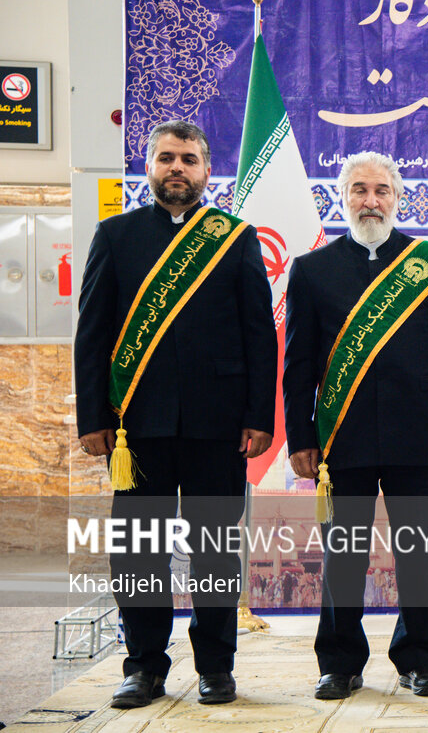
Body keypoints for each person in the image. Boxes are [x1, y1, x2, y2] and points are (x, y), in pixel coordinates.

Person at [75, 119, 276, 708]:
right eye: (166, 158)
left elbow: (258, 335)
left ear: (207, 170)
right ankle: (143, 667)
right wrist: (93, 416)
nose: (177, 169)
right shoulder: (115, 236)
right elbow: (93, 334)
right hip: (137, 427)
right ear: (149, 167)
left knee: (215, 550)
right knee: (139, 551)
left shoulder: (235, 238)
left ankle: (215, 667)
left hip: (220, 426)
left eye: (189, 159)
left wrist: (258, 415)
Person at [283, 152, 428, 701]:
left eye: (381, 190)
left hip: (418, 435)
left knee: (417, 552)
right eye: (360, 190)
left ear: (396, 198)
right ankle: (339, 662)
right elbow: (298, 364)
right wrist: (301, 437)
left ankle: (419, 658)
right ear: (342, 197)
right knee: (343, 555)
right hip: (341, 437)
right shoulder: (312, 270)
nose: (371, 201)